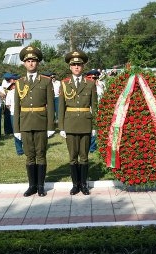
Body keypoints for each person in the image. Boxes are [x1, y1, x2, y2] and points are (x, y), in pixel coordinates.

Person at [14, 46, 55, 197]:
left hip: (41, 123)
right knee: (29, 155)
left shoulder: (45, 81)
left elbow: (51, 106)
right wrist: (16, 129)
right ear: (24, 63)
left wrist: (51, 126)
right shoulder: (19, 83)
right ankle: (31, 185)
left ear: (38, 63)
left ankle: (41, 186)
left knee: (41, 154)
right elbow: (16, 108)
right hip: (25, 123)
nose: (31, 63)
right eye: (28, 61)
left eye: (33, 61)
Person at [58, 50, 97, 195]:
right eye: (73, 64)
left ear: (83, 66)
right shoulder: (64, 83)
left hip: (86, 123)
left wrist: (95, 126)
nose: (76, 67)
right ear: (69, 67)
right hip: (70, 123)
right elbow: (61, 106)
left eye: (79, 64)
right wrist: (61, 127)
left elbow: (95, 106)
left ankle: (84, 184)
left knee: (84, 156)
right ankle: (75, 184)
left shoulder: (90, 83)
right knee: (73, 156)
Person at [3, 73, 23, 155]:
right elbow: (8, 105)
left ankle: (27, 147)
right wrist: (12, 110)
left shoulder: (24, 92)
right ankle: (19, 149)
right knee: (16, 131)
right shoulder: (10, 93)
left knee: (24, 131)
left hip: (23, 114)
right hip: (14, 114)